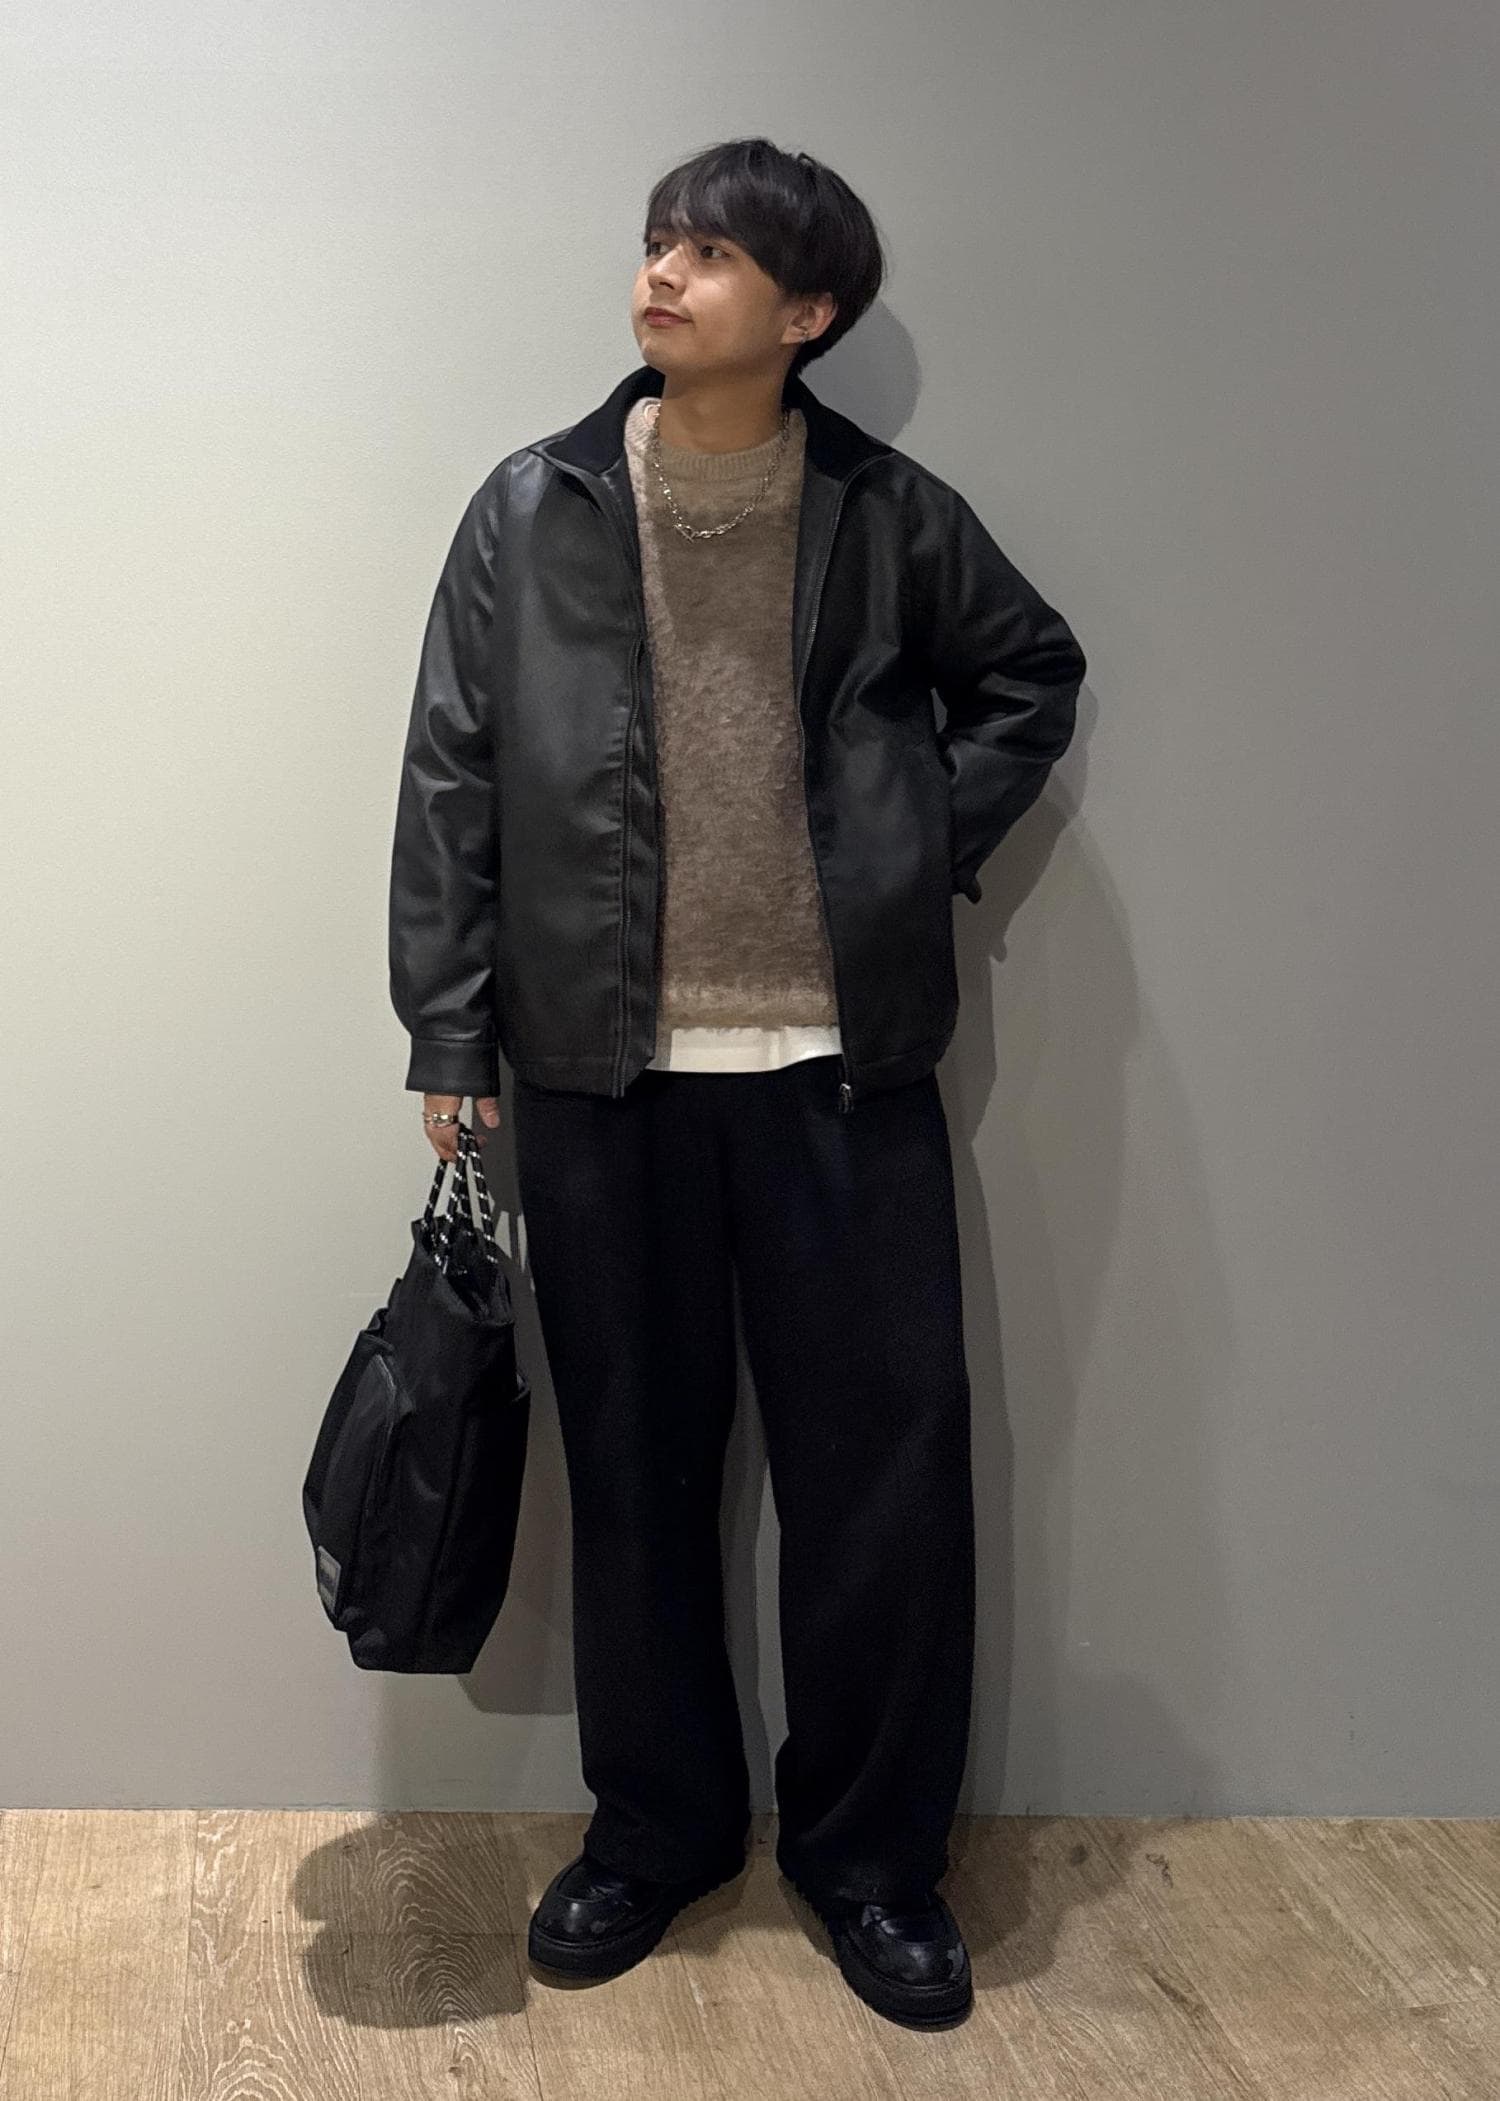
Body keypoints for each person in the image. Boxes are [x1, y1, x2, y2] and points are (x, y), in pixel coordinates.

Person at [388, 136, 1087, 2032]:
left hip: (838, 1075)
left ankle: (870, 1862)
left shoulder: (888, 512)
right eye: (656, 244)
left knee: (883, 1486)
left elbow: (1030, 673)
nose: (662, 275)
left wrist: (911, 850)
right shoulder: (530, 508)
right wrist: (447, 1030)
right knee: (631, 1471)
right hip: (598, 1072)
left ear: (808, 311)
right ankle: (659, 1828)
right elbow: (453, 769)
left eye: (708, 254)